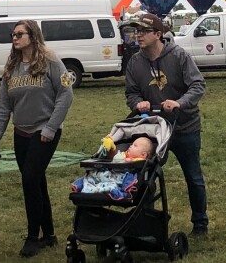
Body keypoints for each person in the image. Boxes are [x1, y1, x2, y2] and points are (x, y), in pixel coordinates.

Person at [0, 19, 75, 259]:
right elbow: (3, 106)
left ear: (33, 36)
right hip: (21, 133)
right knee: (37, 182)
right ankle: (49, 235)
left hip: (44, 132)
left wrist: (50, 128)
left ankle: (32, 237)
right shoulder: (12, 65)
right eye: (12, 34)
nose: (14, 38)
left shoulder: (51, 61)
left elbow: (66, 96)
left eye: (19, 34)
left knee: (29, 180)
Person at [123, 12, 208, 236]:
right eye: (136, 31)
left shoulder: (179, 56)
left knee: (193, 176)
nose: (138, 35)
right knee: (145, 175)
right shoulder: (134, 61)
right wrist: (138, 103)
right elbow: (131, 93)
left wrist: (180, 103)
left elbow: (198, 85)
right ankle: (147, 221)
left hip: (184, 127)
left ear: (158, 34)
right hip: (152, 129)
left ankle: (200, 223)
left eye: (143, 31)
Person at [70, 136, 154, 199]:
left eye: (135, 146)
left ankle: (102, 189)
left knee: (111, 185)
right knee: (94, 175)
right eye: (131, 144)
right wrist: (112, 148)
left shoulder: (139, 161)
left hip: (120, 180)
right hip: (110, 174)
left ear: (143, 155)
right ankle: (86, 185)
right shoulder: (124, 154)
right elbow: (114, 157)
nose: (131, 146)